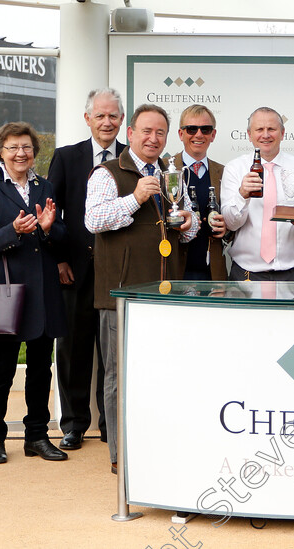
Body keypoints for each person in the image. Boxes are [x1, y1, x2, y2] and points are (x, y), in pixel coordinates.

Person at [85, 104, 199, 473]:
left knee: (165, 371)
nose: (154, 139)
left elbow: (190, 225)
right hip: (122, 294)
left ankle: (159, 445)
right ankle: (121, 455)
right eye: (146, 132)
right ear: (130, 133)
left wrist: (186, 223)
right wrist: (135, 197)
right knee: (118, 375)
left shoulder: (171, 173)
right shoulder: (106, 172)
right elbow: (93, 220)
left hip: (166, 294)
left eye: (161, 133)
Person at [0, 122, 68, 464]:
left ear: (34, 151)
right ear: (0, 152)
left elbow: (60, 235)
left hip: (42, 291)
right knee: (2, 368)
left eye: (26, 147)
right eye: (12, 147)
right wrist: (11, 230)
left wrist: (49, 227)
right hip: (6, 292)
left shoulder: (45, 186)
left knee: (41, 368)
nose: (20, 153)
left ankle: (36, 436)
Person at [48, 88, 125, 451]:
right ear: (88, 119)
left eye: (113, 116)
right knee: (73, 347)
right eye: (100, 115)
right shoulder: (66, 158)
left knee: (113, 352)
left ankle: (110, 423)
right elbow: (52, 214)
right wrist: (60, 258)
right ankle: (75, 423)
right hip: (74, 269)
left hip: (118, 271)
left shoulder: (132, 157)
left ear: (122, 120)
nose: (107, 122)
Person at [221, 107, 294, 281]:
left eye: (272, 129)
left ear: (282, 133)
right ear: (249, 134)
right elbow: (231, 223)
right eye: (259, 129)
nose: (265, 135)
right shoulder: (234, 169)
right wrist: (242, 195)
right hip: (246, 274)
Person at [172, 104, 229, 280]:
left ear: (213, 135)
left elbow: (236, 218)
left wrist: (228, 228)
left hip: (213, 272)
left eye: (205, 129)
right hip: (173, 269)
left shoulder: (225, 173)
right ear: (181, 134)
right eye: (191, 129)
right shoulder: (164, 169)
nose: (198, 135)